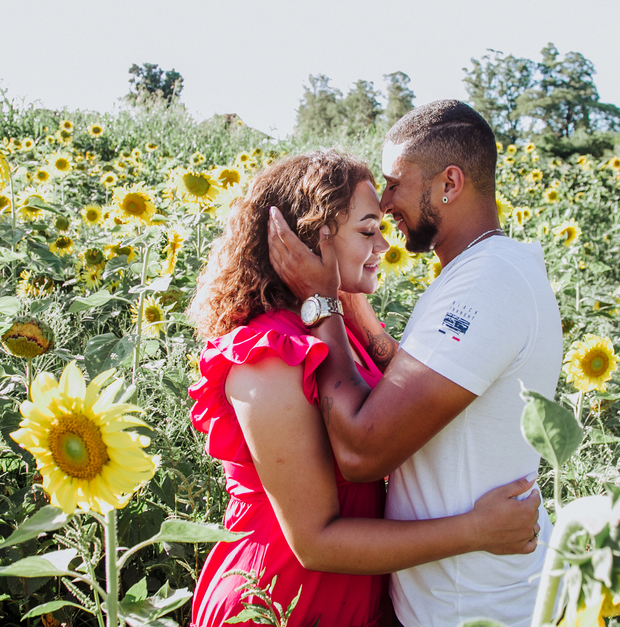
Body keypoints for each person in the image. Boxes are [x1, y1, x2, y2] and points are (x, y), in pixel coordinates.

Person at [186, 149, 542, 627]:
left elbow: (402, 395)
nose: (384, 245)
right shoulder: (266, 357)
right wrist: (475, 531)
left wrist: (338, 300)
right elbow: (315, 543)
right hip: (276, 601)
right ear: (313, 237)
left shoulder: (332, 330)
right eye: (367, 230)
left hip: (349, 601)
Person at [268, 101, 563, 627]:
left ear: (449, 183)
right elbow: (410, 389)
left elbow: (362, 451)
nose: (385, 203)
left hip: (474, 607)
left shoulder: (487, 284)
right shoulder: (478, 272)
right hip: (450, 597)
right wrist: (350, 301)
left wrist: (323, 303)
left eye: (394, 184)